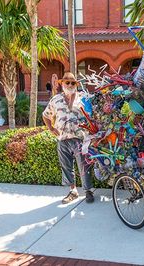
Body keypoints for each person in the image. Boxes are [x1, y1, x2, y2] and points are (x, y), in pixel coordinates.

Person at [42, 72, 94, 204]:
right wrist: (51, 128)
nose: (70, 85)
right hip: (63, 139)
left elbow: (92, 115)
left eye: (73, 83)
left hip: (80, 139)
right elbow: (46, 115)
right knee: (66, 166)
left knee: (84, 166)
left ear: (76, 84)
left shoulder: (82, 98)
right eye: (67, 82)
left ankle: (88, 191)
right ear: (62, 83)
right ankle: (73, 191)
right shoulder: (56, 100)